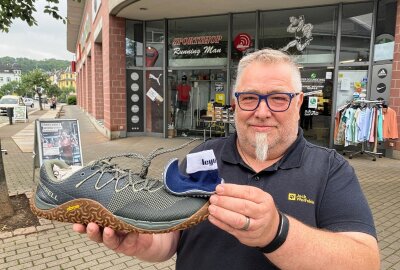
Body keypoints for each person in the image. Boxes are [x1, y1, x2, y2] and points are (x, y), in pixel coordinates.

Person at [73, 48, 380, 269]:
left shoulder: (330, 169)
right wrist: (142, 242)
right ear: (235, 103)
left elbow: (365, 262)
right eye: (249, 98)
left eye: (277, 98)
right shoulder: (201, 157)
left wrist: (277, 232)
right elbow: (171, 238)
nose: (261, 111)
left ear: (298, 103)